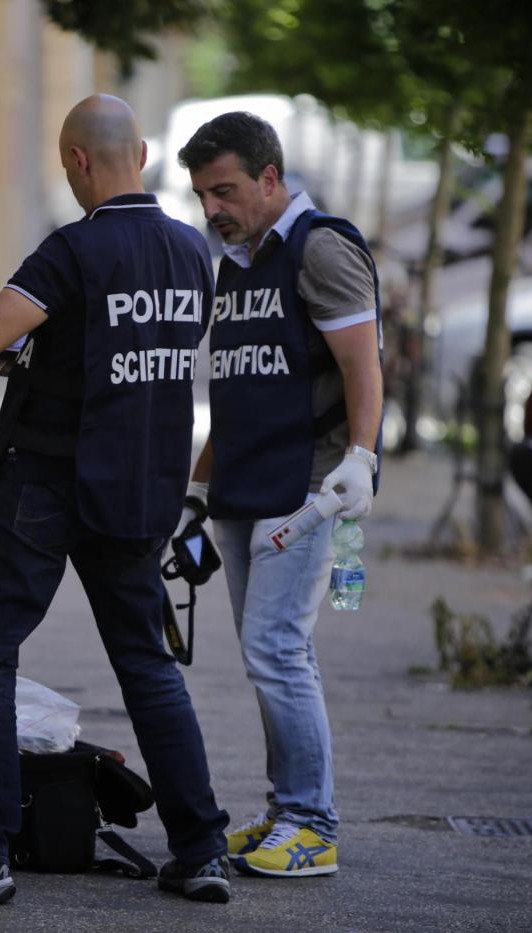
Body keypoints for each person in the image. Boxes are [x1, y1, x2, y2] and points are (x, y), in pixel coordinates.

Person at [0, 94, 232, 906]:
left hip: (46, 484)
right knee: (148, 665)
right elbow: (125, 357)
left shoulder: (73, 250)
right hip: (140, 486)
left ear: (79, 161)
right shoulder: (192, 253)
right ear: (141, 154)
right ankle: (200, 849)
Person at [174, 111, 384, 878]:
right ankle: (285, 809)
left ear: (270, 178)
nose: (211, 209)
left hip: (308, 486)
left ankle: (311, 824)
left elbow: (364, 367)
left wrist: (360, 459)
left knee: (276, 648)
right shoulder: (236, 261)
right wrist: (197, 494)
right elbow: (239, 389)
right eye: (201, 195)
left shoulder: (320, 248)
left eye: (223, 190)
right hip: (241, 483)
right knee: (271, 654)